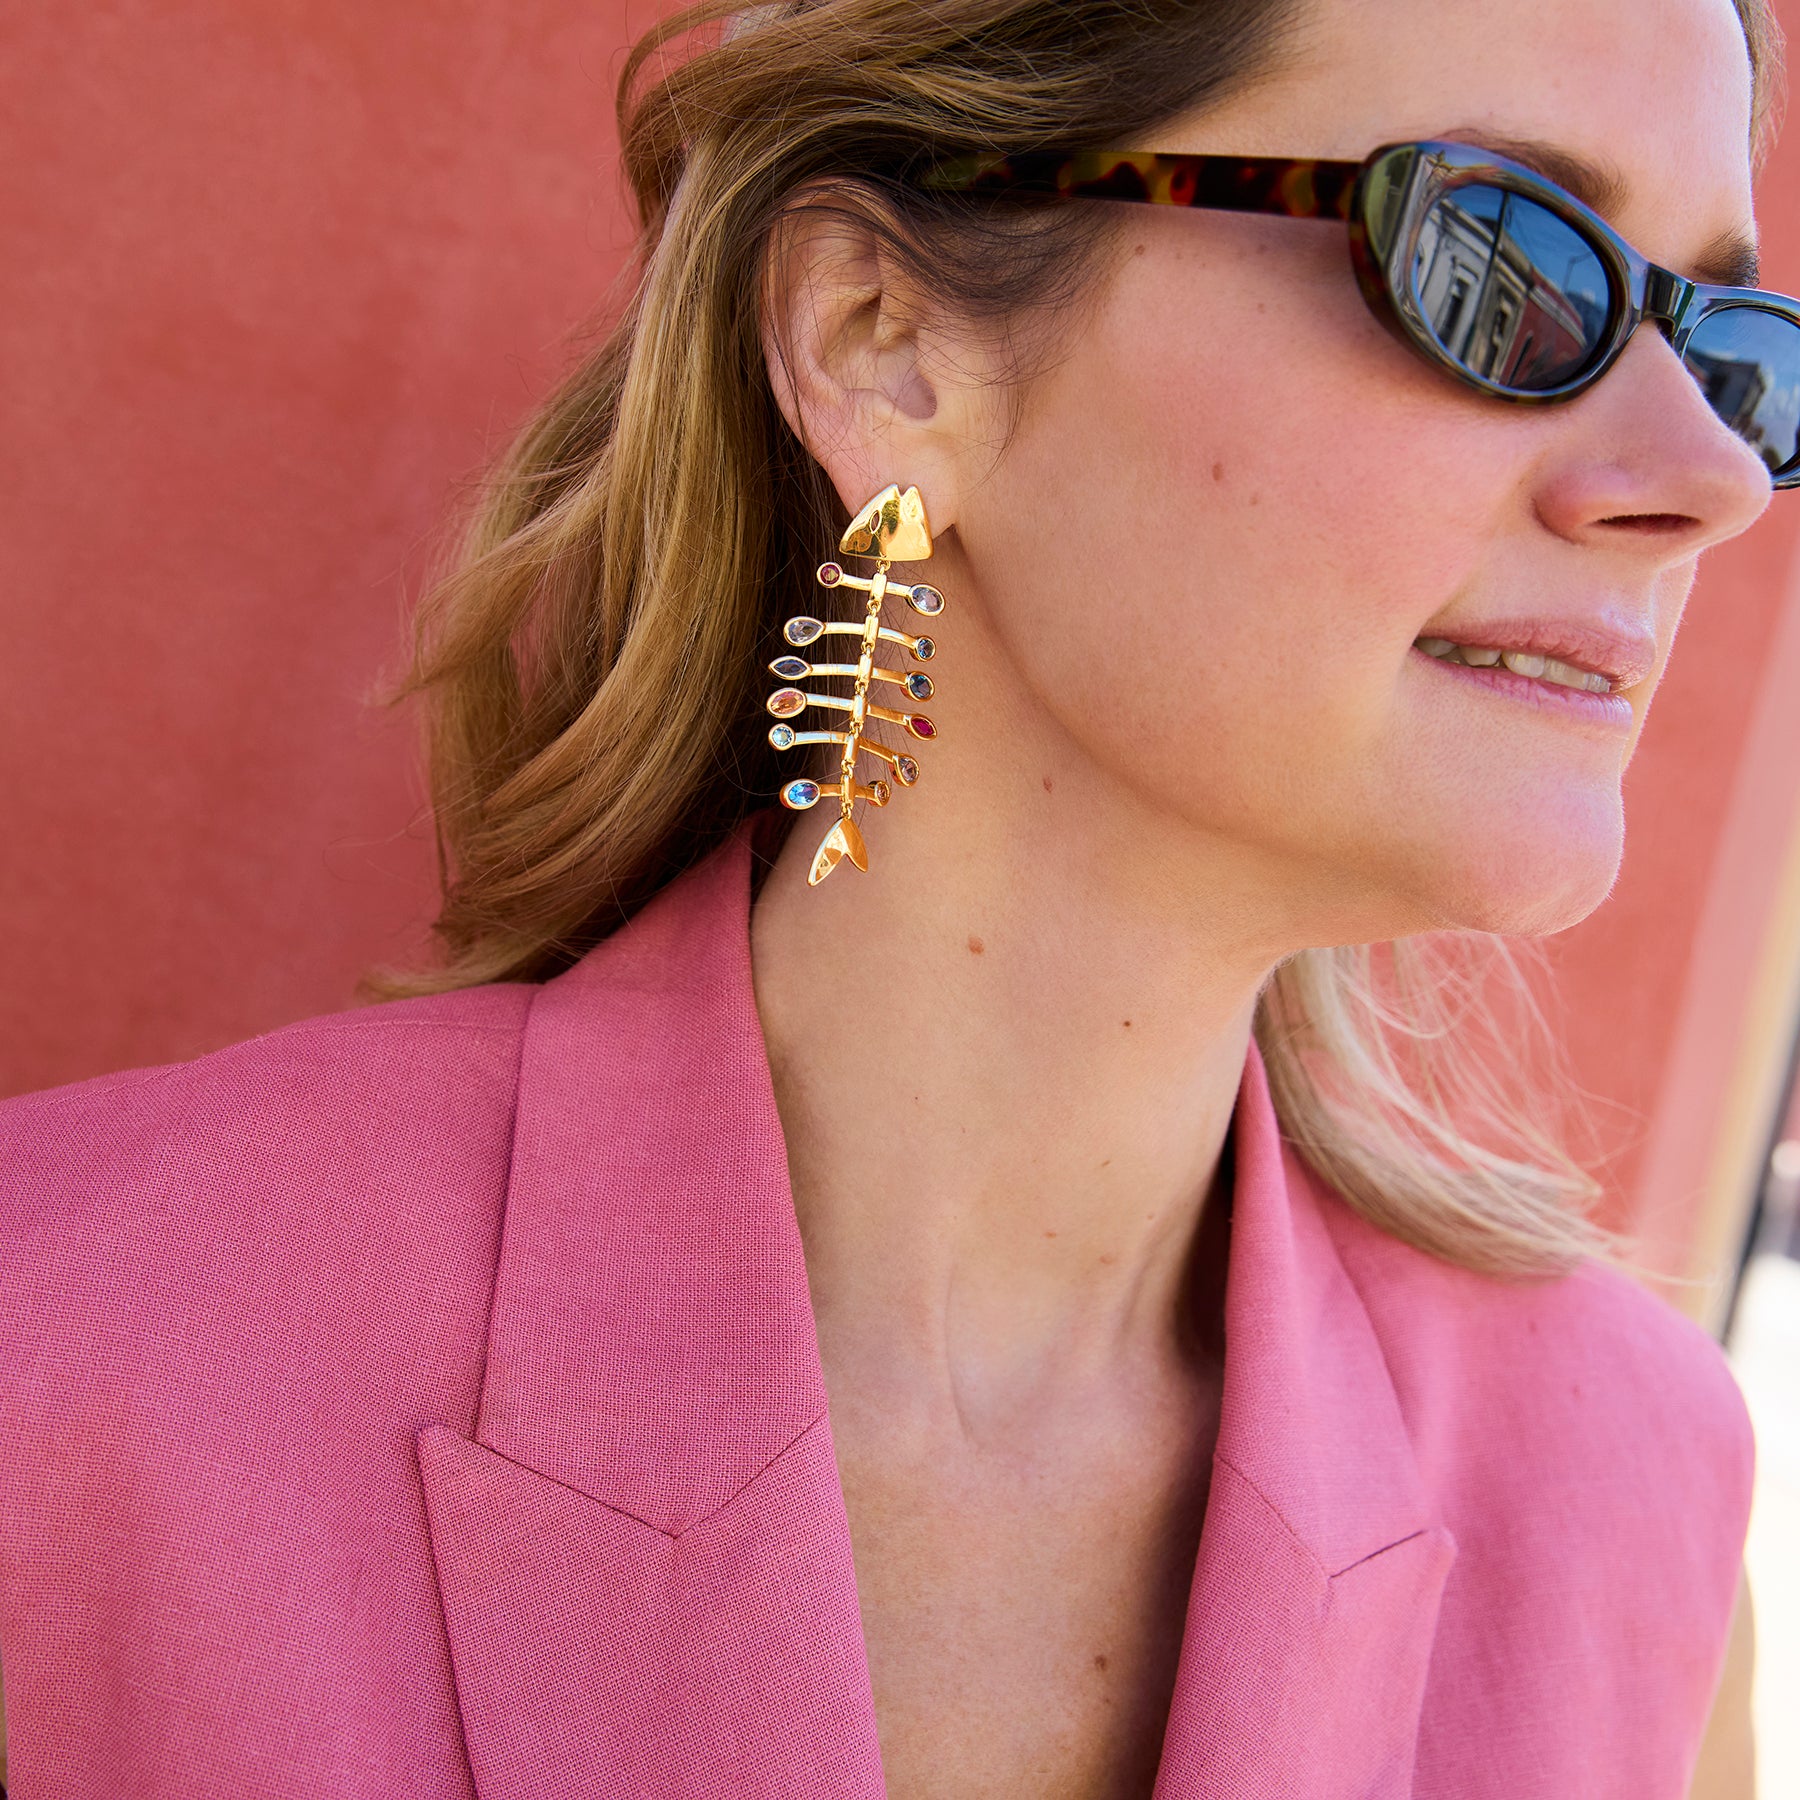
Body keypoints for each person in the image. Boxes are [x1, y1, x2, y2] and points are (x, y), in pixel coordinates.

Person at [0, 0, 1785, 1792]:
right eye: (1497, 263)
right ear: (885, 342)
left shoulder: (1635, 1520)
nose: (1711, 480)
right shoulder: (72, 1372)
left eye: (1738, 355)